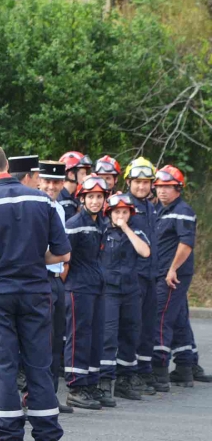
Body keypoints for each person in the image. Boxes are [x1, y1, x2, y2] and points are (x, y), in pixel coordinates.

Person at [0, 143, 70, 441]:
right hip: (36, 292)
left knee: (4, 367)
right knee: (39, 364)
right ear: (6, 165)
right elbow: (61, 252)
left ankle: (9, 434)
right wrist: (34, 258)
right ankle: (47, 432)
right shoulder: (42, 200)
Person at [63, 175, 112, 410]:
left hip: (97, 288)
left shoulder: (101, 223)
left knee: (95, 338)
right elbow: (64, 260)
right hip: (78, 288)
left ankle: (91, 383)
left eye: (99, 197)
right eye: (90, 196)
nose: (95, 201)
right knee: (79, 337)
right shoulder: (74, 224)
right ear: (82, 198)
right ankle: (76, 386)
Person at [98, 193, 151, 401]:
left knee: (131, 334)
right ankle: (104, 381)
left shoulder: (135, 231)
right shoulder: (102, 231)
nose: (120, 216)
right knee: (108, 336)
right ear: (109, 213)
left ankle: (124, 380)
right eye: (117, 212)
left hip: (131, 290)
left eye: (124, 212)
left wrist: (126, 228)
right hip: (109, 290)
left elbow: (145, 252)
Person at [151, 165, 199, 390]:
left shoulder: (183, 211)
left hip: (171, 275)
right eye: (160, 187)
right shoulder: (161, 209)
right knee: (178, 318)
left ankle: (159, 371)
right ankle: (184, 368)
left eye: (168, 187)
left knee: (161, 318)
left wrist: (172, 269)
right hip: (163, 272)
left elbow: (186, 243)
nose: (162, 191)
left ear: (178, 188)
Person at [37, 160, 73, 414]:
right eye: (47, 181)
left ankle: (50, 394)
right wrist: (61, 256)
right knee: (41, 341)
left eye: (56, 182)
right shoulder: (35, 206)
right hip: (41, 277)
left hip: (56, 279)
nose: (51, 186)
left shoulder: (59, 207)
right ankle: (38, 396)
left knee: (56, 341)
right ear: (38, 181)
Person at [123, 157, 161, 394]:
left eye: (146, 182)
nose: (141, 186)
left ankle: (144, 371)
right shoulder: (123, 206)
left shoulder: (150, 206)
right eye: (137, 182)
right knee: (131, 327)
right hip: (132, 276)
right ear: (128, 182)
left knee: (148, 325)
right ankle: (130, 373)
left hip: (150, 276)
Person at [58, 152, 93, 221]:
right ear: (71, 175)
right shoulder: (59, 197)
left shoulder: (75, 196)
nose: (85, 177)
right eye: (82, 174)